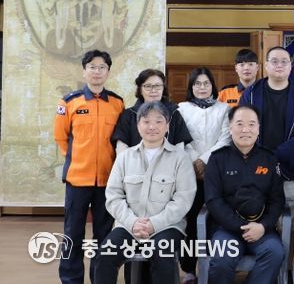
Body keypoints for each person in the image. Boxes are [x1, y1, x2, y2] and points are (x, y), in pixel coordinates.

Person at [96, 101, 196, 284]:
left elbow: (183, 199)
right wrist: (132, 222)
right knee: (105, 254)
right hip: (128, 225)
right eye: (146, 121)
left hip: (167, 226)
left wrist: (154, 224)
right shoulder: (124, 157)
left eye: (158, 121)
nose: (152, 127)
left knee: (162, 252)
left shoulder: (180, 158)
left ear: (167, 125)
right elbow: (113, 196)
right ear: (138, 125)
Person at [53, 49, 125, 284]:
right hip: (77, 180)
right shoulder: (69, 102)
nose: (97, 71)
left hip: (108, 181)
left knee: (104, 235)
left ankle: (100, 278)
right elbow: (61, 137)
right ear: (84, 71)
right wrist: (78, 159)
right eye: (92, 67)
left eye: (102, 67)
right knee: (73, 233)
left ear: (108, 72)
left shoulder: (117, 103)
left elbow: (120, 139)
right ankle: (70, 279)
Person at [204, 105, 285, 284]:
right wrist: (241, 226)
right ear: (230, 127)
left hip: (262, 229)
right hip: (226, 228)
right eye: (240, 124)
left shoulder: (269, 158)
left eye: (251, 124)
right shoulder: (217, 159)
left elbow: (277, 200)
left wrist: (263, 226)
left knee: (275, 252)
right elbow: (213, 200)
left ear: (258, 129)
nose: (246, 130)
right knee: (222, 259)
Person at [239, 46, 294, 205]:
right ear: (266, 65)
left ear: (290, 66)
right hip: (256, 167)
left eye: (284, 61)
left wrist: (275, 155)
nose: (279, 65)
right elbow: (241, 127)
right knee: (259, 213)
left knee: (293, 216)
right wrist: (259, 156)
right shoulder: (251, 94)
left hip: (292, 169)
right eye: (274, 61)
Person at [178, 67, 231, 284]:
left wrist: (205, 160)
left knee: (217, 219)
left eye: (206, 83)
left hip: (216, 171)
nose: (202, 87)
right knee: (190, 221)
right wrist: (194, 161)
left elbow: (226, 138)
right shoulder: (181, 109)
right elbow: (180, 138)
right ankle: (189, 269)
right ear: (191, 86)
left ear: (212, 85)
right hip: (190, 173)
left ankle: (215, 267)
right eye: (197, 83)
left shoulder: (224, 109)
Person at [112, 69, 193, 155]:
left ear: (163, 88)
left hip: (168, 162)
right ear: (140, 89)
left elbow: (180, 145)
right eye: (148, 86)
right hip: (135, 161)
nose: (153, 90)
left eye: (158, 86)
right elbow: (121, 146)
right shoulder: (128, 114)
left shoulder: (174, 113)